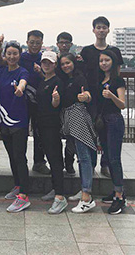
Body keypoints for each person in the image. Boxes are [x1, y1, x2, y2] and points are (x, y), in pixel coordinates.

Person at [0, 31, 50, 175]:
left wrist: (40, 72)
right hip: (22, 102)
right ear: (27, 42)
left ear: (42, 43)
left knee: (39, 132)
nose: (34, 45)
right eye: (32, 42)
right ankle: (20, 161)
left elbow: (50, 77)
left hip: (40, 102)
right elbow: (2, 62)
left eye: (37, 43)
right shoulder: (21, 57)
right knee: (21, 133)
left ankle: (39, 162)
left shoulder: (45, 58)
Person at [0, 41, 31, 212]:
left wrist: (20, 89)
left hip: (19, 122)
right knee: (12, 156)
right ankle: (18, 185)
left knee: (20, 156)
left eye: (15, 53)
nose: (12, 57)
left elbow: (23, 82)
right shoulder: (1, 71)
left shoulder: (23, 71)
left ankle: (24, 196)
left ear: (19, 55)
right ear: (5, 55)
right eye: (9, 54)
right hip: (4, 121)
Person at [80, 16, 123, 178]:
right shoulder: (86, 51)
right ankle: (91, 166)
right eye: (98, 27)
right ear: (93, 30)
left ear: (108, 30)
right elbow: (81, 72)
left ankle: (105, 164)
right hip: (91, 97)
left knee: (107, 133)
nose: (101, 30)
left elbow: (117, 73)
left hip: (108, 96)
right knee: (91, 131)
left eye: (104, 27)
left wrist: (114, 92)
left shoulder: (115, 51)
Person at [57, 53, 98, 213]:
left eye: (68, 63)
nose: (65, 66)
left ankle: (87, 197)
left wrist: (85, 96)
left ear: (74, 63)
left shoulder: (80, 78)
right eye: (63, 64)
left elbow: (87, 94)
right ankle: (84, 190)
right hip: (69, 115)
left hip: (77, 115)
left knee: (83, 156)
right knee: (80, 156)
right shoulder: (65, 79)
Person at [35, 51, 68, 214]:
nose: (46, 65)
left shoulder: (57, 82)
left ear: (55, 65)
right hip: (42, 125)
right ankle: (56, 189)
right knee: (50, 157)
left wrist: (56, 99)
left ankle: (60, 197)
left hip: (52, 126)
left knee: (55, 160)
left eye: (49, 63)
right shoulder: (43, 81)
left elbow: (56, 104)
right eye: (44, 62)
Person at [98, 50, 127, 214]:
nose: (103, 63)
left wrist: (111, 96)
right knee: (108, 157)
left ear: (113, 62)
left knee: (114, 159)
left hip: (114, 121)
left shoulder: (118, 80)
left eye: (107, 60)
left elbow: (122, 104)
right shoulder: (101, 79)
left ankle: (119, 196)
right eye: (101, 60)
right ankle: (116, 189)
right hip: (103, 122)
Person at [56, 31, 76, 175]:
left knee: (71, 138)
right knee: (55, 137)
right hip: (56, 105)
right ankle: (57, 163)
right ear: (57, 44)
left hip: (71, 106)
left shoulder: (75, 60)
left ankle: (69, 163)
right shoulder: (53, 61)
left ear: (71, 44)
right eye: (61, 43)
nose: (64, 45)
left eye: (66, 43)